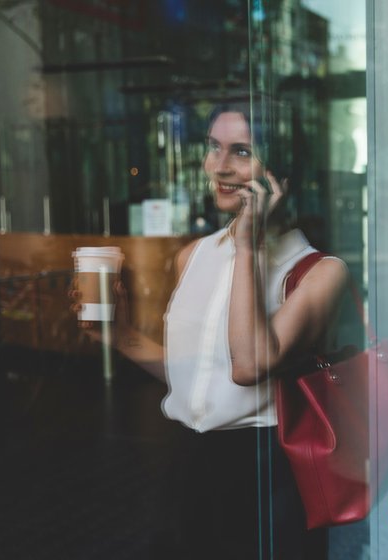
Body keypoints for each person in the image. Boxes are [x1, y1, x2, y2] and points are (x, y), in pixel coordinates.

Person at [74, 101, 347, 559]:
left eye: (241, 151)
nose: (219, 166)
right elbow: (196, 375)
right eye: (213, 147)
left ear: (280, 173)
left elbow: (248, 366)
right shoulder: (194, 255)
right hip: (186, 467)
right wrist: (117, 334)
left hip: (266, 474)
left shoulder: (319, 272)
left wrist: (246, 247)